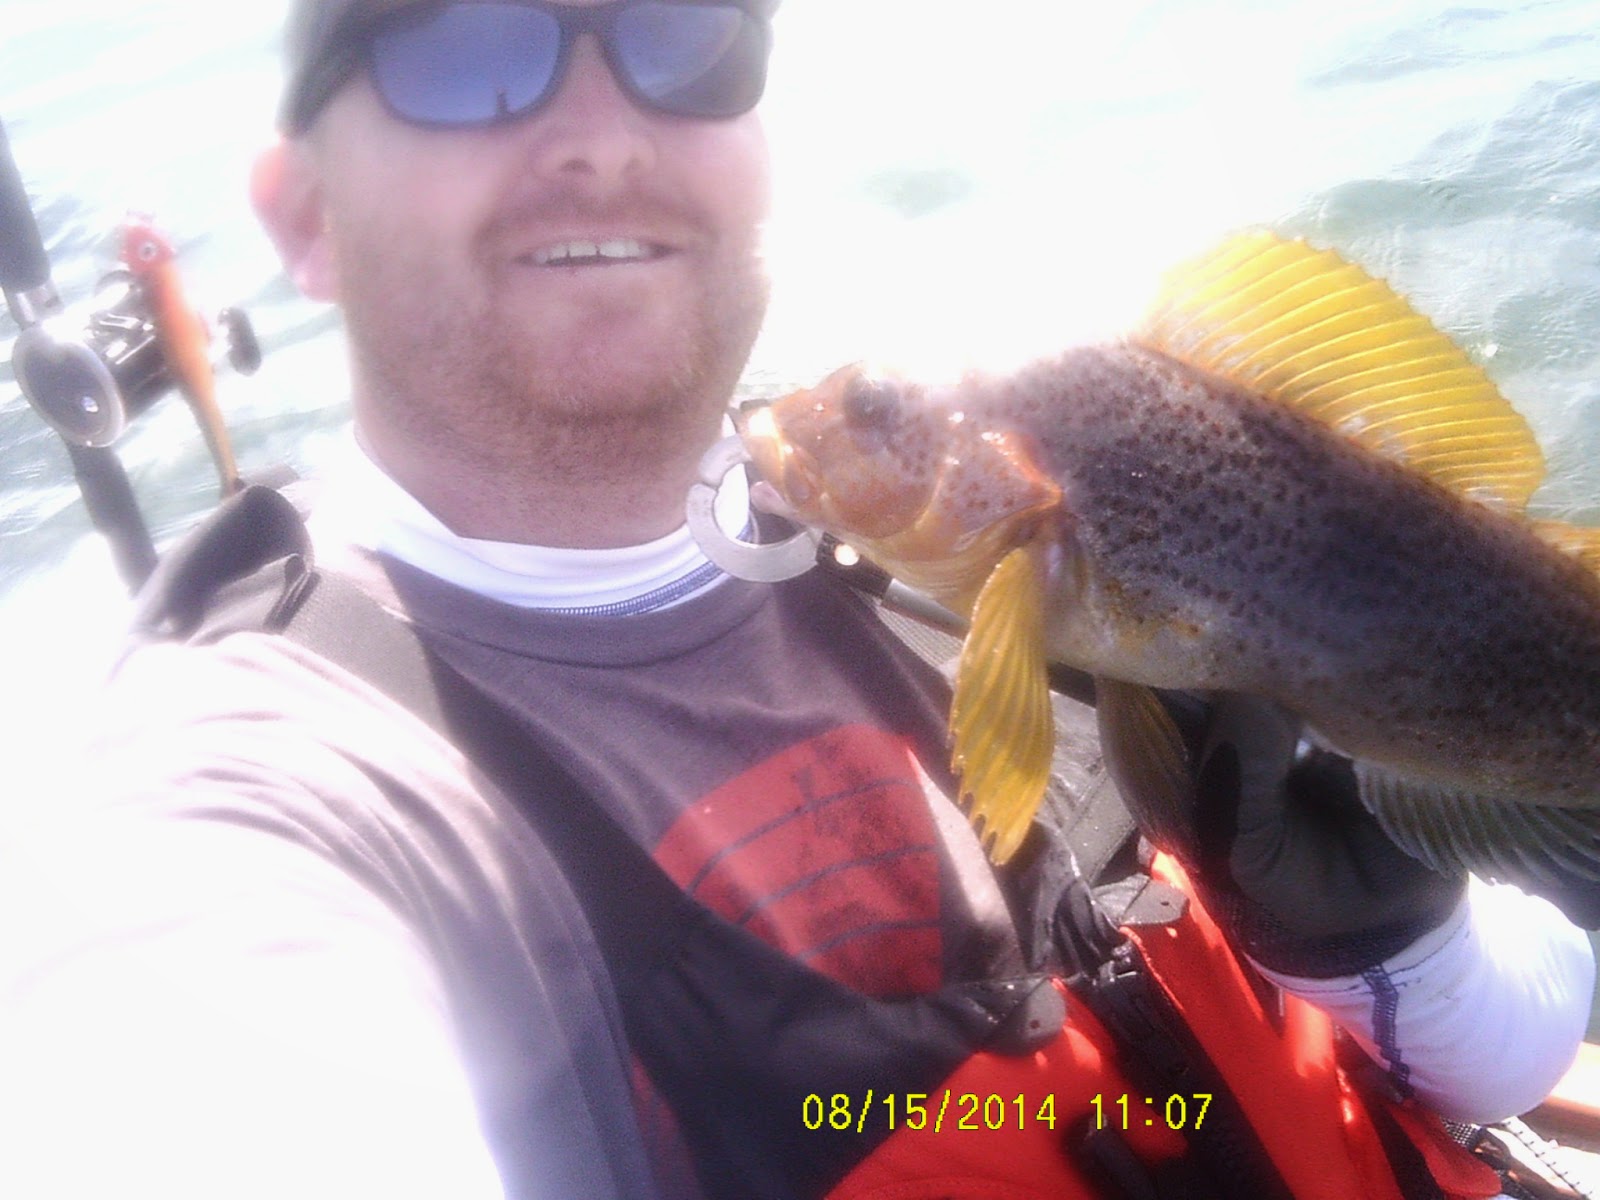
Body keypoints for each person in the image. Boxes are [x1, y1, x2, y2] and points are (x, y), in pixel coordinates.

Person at [0, 1, 1593, 1196]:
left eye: (683, 39)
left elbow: (1512, 1053)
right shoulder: (272, 794)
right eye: (460, 49)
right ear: (299, 213)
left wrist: (1386, 940)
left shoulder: (957, 568)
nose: (603, 126)